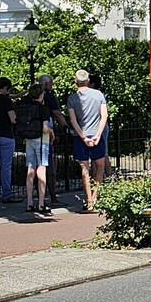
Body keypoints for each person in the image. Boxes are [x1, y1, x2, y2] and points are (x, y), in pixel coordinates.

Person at [67, 69, 108, 210]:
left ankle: (89, 199)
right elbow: (104, 116)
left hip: (81, 136)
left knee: (84, 169)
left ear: (75, 82)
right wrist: (98, 134)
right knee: (100, 166)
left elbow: (73, 120)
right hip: (97, 135)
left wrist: (83, 137)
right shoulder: (99, 95)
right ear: (88, 80)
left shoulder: (72, 98)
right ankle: (96, 197)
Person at [18, 84, 54, 214]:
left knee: (30, 169)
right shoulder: (43, 108)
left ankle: (29, 203)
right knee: (42, 169)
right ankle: (41, 203)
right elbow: (45, 128)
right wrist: (51, 131)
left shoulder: (25, 107)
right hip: (41, 140)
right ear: (41, 95)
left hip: (29, 140)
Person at [38, 74, 67, 205]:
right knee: (48, 164)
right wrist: (65, 126)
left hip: (32, 133)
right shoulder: (49, 96)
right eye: (51, 83)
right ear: (46, 84)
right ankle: (53, 197)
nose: (52, 86)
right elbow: (57, 113)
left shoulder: (30, 97)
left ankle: (38, 198)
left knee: (34, 165)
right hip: (46, 132)